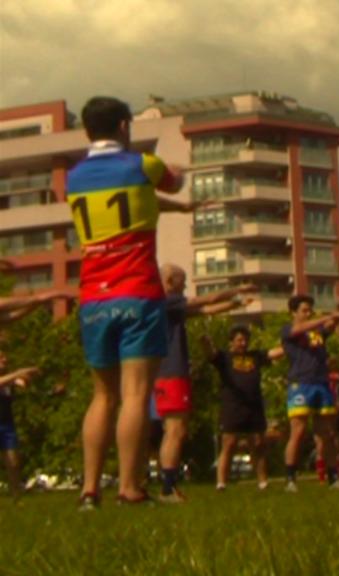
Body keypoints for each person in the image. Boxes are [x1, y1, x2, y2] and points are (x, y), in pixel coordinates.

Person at [67, 96, 189, 508]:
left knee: (102, 396)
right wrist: (180, 177)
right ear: (123, 126)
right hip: (137, 292)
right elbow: (171, 181)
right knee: (136, 395)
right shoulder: (141, 165)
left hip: (93, 298)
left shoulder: (74, 177)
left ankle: (88, 490)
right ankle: (130, 488)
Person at [152, 264, 256, 503]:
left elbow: (205, 310)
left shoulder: (168, 307)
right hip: (172, 372)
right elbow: (207, 299)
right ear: (169, 281)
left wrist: (234, 304)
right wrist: (236, 290)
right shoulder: (168, 301)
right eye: (182, 281)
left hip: (163, 373)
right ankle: (168, 488)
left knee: (173, 430)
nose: (185, 286)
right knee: (176, 430)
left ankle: (168, 485)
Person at [201, 325, 282, 491]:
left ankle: (262, 482)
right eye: (239, 340)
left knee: (257, 444)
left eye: (245, 340)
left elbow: (274, 353)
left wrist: (293, 342)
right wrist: (206, 343)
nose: (243, 343)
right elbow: (211, 354)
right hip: (233, 406)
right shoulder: (224, 357)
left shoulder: (255, 356)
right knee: (229, 443)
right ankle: (221, 483)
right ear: (231, 342)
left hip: (254, 406)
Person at [281, 294, 339, 491]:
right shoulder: (288, 330)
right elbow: (302, 328)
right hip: (300, 384)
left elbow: (330, 326)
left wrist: (338, 308)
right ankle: (291, 479)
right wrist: (325, 317)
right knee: (298, 431)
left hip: (321, 383)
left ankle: (333, 478)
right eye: (304, 310)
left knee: (326, 434)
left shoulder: (317, 331)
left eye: (310, 310)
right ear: (293, 312)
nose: (308, 313)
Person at [0, 352, 38, 499]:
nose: (5, 359)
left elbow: (21, 383)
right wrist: (18, 373)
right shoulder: (7, 379)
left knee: (13, 461)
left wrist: (27, 378)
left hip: (7, 425)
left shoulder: (9, 380)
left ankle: (16, 493)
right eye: (1, 357)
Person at [316, 357, 339, 483]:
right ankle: (325, 474)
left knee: (331, 440)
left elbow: (336, 392)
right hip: (323, 407)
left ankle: (333, 472)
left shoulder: (333, 378)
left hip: (329, 407)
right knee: (324, 441)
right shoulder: (324, 377)